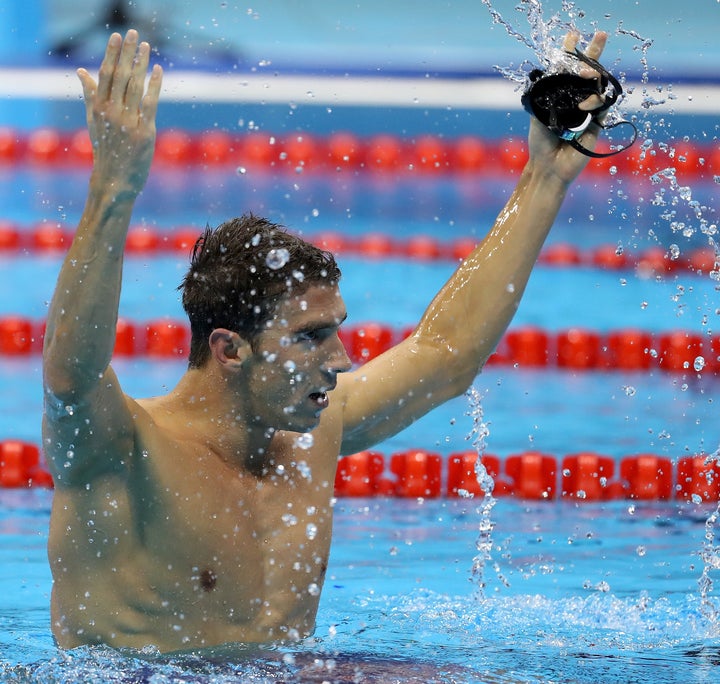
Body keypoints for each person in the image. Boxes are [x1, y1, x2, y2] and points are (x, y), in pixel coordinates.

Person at [43, 28, 610, 652]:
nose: (340, 361)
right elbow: (72, 377)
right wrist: (112, 192)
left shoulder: (309, 437)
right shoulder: (121, 454)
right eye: (310, 338)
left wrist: (545, 178)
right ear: (230, 349)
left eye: (334, 331)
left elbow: (448, 354)